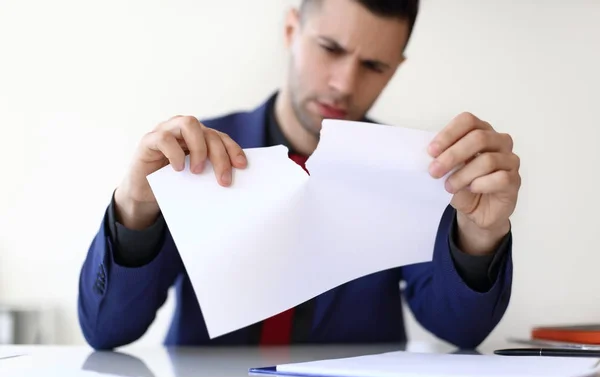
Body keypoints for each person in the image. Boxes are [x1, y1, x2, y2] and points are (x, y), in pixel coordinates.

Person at [78, 0, 520, 350]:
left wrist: (481, 236)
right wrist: (134, 208)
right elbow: (107, 332)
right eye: (331, 48)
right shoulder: (194, 157)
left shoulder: (412, 169)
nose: (344, 84)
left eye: (373, 66)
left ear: (396, 69)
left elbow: (459, 330)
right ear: (291, 31)